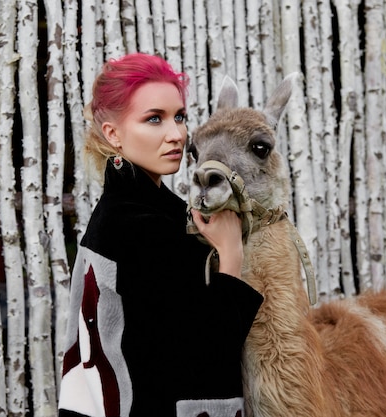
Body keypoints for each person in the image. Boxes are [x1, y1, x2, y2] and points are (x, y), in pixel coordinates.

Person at [57, 53, 263, 417]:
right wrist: (231, 254)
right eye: (154, 119)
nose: (177, 135)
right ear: (113, 134)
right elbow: (209, 347)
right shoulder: (143, 227)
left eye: (180, 117)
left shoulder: (120, 214)